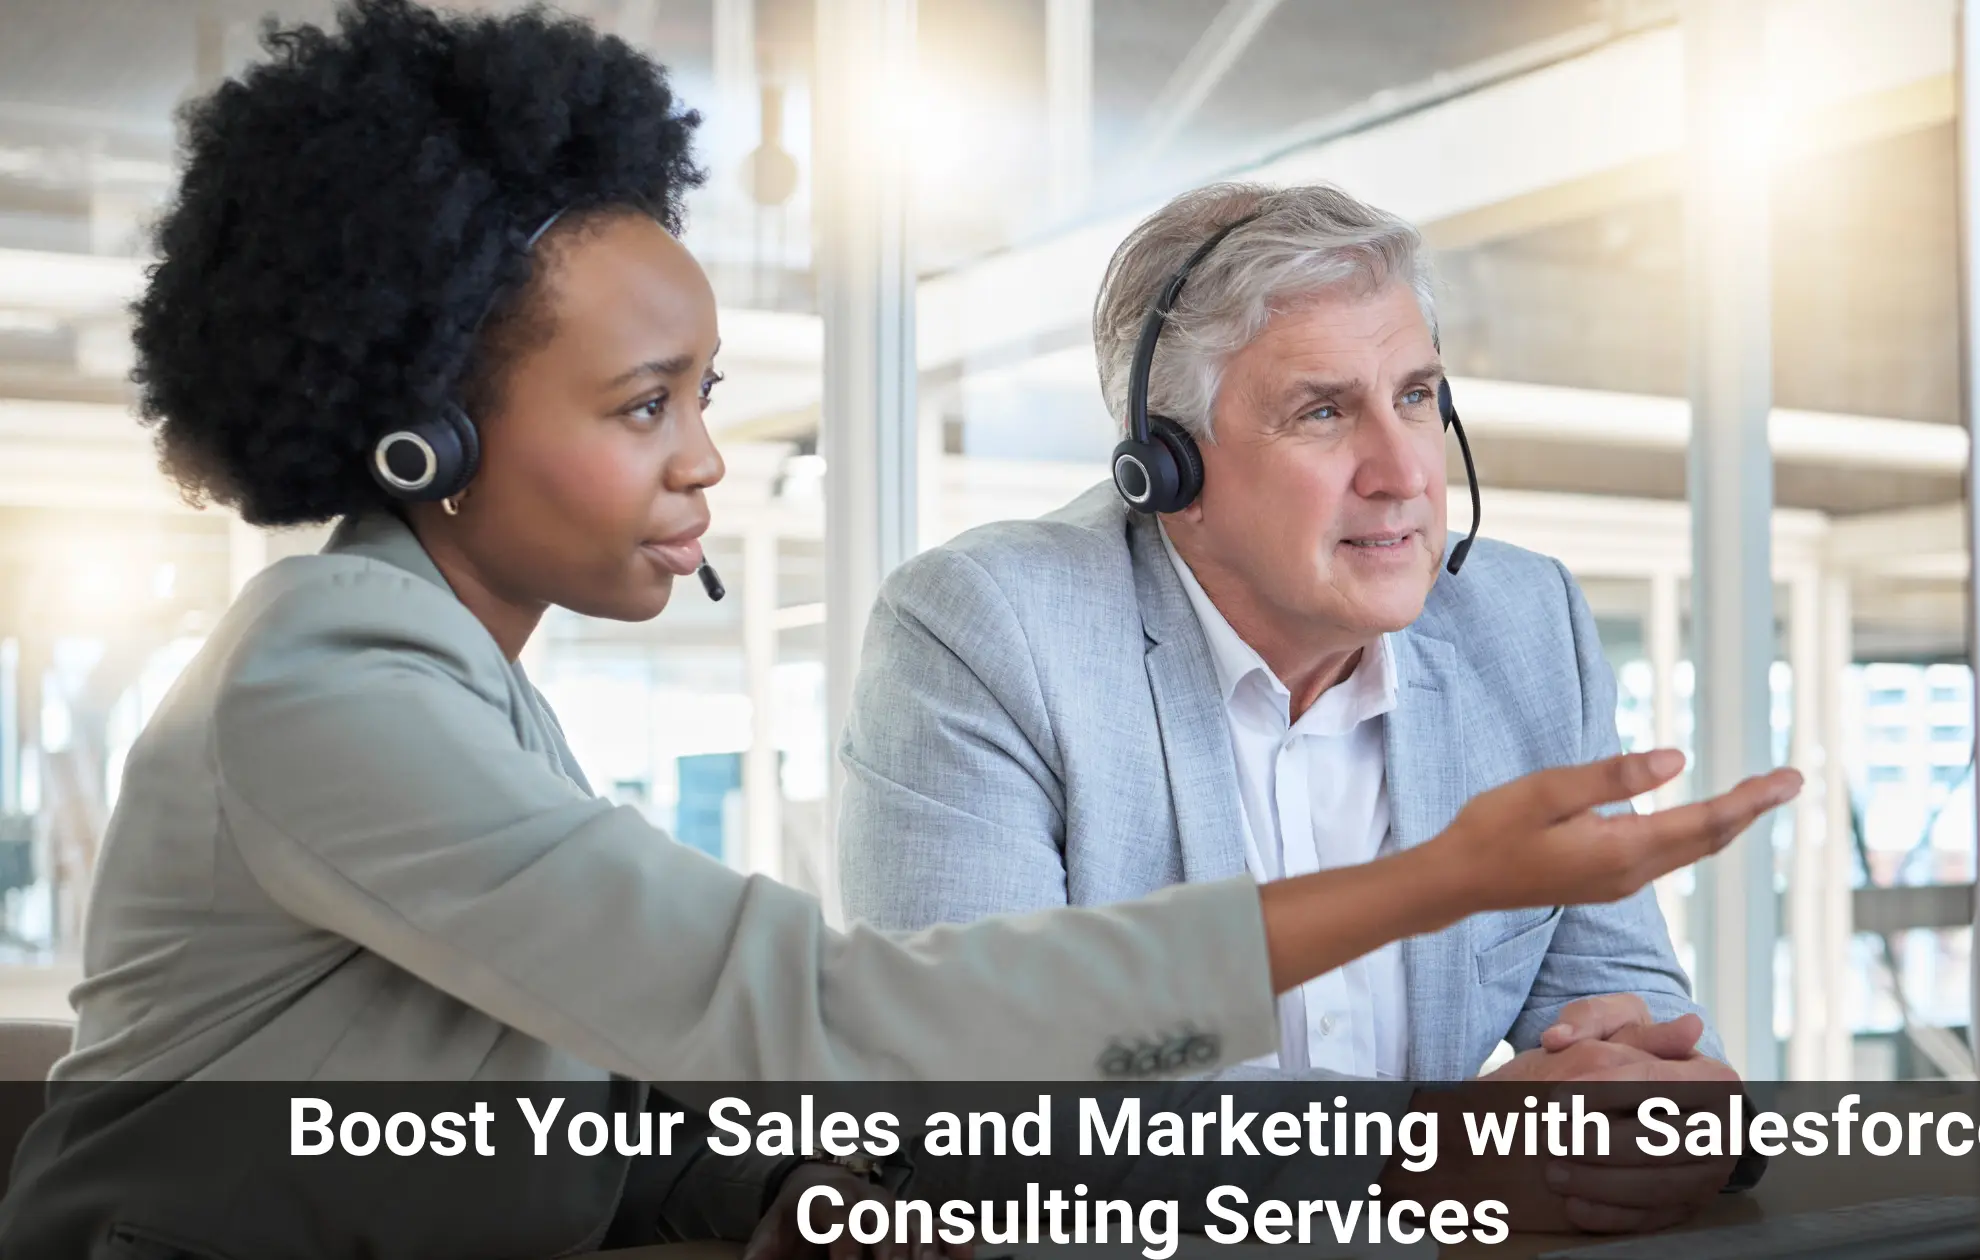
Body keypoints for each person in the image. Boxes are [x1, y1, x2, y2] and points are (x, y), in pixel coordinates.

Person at [0, 4, 1797, 1255]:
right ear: (427, 432)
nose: (706, 458)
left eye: (703, 393)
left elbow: (584, 1115)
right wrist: (1439, 890)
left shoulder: (465, 691)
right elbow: (837, 1015)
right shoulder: (328, 687)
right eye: (644, 406)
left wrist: (796, 1199)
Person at [838, 182, 1769, 1234]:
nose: (1404, 470)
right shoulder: (986, 631)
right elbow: (974, 1129)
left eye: (1416, 397)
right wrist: (1415, 1172)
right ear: (1166, 466)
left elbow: (1623, 1003)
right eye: (1323, 412)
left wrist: (1669, 1118)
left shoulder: (1521, 623)